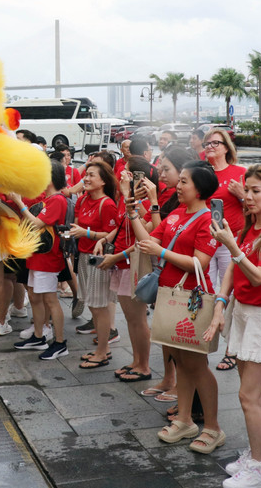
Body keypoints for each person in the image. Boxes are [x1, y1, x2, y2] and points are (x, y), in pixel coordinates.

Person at [206, 164, 261, 487]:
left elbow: (259, 277)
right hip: (243, 312)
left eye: (256, 191)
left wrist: (231, 246)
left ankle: (260, 468)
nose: (248, 196)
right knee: (251, 396)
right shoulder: (249, 228)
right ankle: (258, 455)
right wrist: (219, 305)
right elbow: (233, 269)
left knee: (248, 397)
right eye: (247, 189)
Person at [128, 161, 223, 454]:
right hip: (171, 296)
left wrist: (163, 252)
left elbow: (200, 263)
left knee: (197, 365)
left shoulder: (207, 219)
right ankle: (184, 420)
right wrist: (132, 210)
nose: (178, 186)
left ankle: (213, 427)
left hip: (192, 298)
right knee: (181, 362)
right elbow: (148, 242)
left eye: (184, 182)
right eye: (179, 181)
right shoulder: (178, 213)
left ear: (200, 189)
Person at [135, 146, 197, 406]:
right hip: (165, 274)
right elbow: (153, 232)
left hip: (182, 282)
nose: (160, 173)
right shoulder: (172, 199)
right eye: (160, 168)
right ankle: (169, 379)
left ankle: (181, 390)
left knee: (179, 340)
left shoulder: (184, 204)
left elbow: (165, 237)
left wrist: (154, 203)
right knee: (164, 332)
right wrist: (135, 207)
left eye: (167, 169)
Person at [94, 156, 161, 382]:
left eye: (126, 172)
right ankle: (136, 360)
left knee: (137, 318)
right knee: (131, 318)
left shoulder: (143, 202)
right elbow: (122, 225)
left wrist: (117, 256)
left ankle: (144, 365)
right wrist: (104, 240)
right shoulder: (128, 198)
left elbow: (148, 233)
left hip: (133, 262)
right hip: (122, 261)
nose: (121, 174)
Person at [10, 160, 70, 360]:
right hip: (37, 256)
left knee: (51, 300)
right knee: (35, 297)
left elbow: (36, 223)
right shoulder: (48, 198)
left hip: (48, 258)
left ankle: (60, 343)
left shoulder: (57, 200)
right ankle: (38, 336)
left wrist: (19, 203)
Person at [68, 161, 119, 368]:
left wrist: (87, 233)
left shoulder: (107, 204)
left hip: (98, 261)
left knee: (100, 307)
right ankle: (102, 349)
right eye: (85, 175)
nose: (86, 179)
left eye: (91, 175)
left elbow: (111, 235)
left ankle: (102, 351)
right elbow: (77, 226)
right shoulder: (82, 200)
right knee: (91, 304)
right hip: (83, 256)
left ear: (103, 181)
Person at [203, 128, 245, 372]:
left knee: (229, 293)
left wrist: (241, 195)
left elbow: (255, 207)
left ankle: (231, 349)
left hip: (231, 242)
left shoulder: (239, 174)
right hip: (206, 241)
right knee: (208, 291)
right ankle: (206, 337)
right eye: (207, 143)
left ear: (227, 147)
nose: (210, 147)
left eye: (215, 143)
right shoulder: (201, 173)